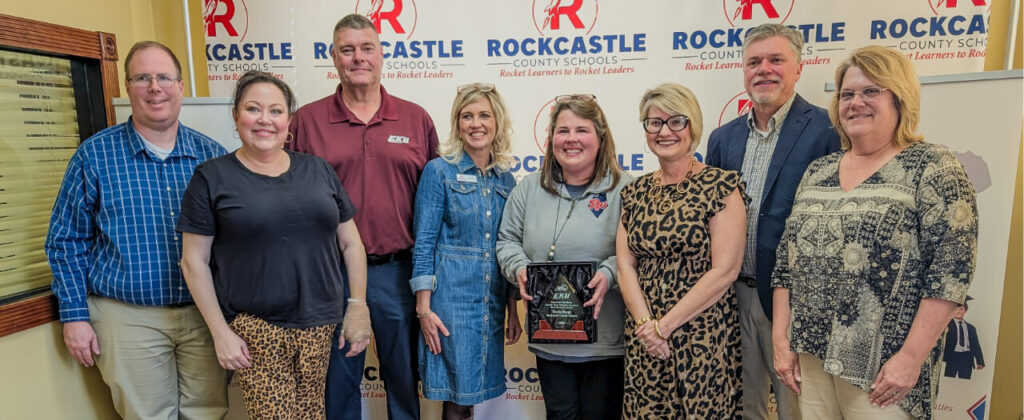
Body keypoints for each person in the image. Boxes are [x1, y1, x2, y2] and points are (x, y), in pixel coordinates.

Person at [771, 45, 978, 419]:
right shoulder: (818, 171)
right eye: (847, 94)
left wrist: (910, 359)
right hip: (811, 355)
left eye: (871, 91)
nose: (856, 103)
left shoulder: (932, 166)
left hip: (884, 368)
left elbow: (951, 273)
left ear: (900, 98)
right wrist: (781, 340)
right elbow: (786, 264)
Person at [44, 41, 228, 420]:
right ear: (128, 87)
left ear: (180, 86)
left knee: (208, 414)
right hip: (128, 319)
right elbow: (66, 241)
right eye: (143, 78)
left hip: (204, 316)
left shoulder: (213, 156)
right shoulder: (94, 156)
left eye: (164, 78)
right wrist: (74, 315)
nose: (155, 87)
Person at [178, 70, 371, 418]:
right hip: (256, 328)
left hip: (319, 324)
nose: (265, 120)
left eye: (276, 111)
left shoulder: (319, 170)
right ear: (236, 116)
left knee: (312, 414)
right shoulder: (212, 177)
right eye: (253, 109)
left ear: (289, 120)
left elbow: (351, 244)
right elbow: (193, 262)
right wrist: (220, 332)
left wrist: (357, 306)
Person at [287, 13, 439, 420]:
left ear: (381, 54)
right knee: (337, 385)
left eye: (367, 48)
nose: (358, 57)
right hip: (330, 274)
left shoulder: (415, 118)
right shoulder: (307, 122)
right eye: (348, 50)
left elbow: (435, 201)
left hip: (398, 272)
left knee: (404, 381)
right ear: (333, 56)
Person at [705, 23, 841, 420]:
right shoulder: (722, 138)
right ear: (743, 71)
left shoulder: (828, 130)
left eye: (776, 60)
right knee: (742, 404)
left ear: (798, 68)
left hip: (793, 301)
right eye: (754, 62)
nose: (764, 69)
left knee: (793, 407)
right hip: (731, 296)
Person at [496, 94, 632, 420]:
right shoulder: (528, 189)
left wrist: (609, 273)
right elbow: (507, 241)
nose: (571, 139)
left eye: (581, 130)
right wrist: (519, 268)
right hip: (550, 340)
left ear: (600, 138)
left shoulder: (626, 189)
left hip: (606, 341)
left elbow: (637, 250)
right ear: (551, 139)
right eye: (563, 131)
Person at [617, 83, 747, 418]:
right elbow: (625, 265)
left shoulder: (720, 186)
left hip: (702, 334)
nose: (664, 132)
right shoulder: (634, 192)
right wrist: (647, 326)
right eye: (654, 123)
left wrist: (665, 327)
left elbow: (726, 270)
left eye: (676, 121)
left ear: (693, 125)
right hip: (645, 337)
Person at [410, 83, 523, 420]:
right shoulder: (439, 171)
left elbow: (508, 246)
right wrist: (424, 309)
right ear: (457, 123)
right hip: (450, 303)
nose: (476, 124)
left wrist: (512, 310)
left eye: (484, 115)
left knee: (471, 395)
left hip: (491, 301)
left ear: (497, 122)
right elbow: (424, 243)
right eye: (467, 116)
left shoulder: (506, 180)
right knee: (457, 399)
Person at [943, 296, 985, 379]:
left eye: (961, 309)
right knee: (949, 379)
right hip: (952, 357)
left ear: (965, 310)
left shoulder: (971, 328)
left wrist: (980, 361)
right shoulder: (946, 325)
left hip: (967, 358)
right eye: (956, 309)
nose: (958, 311)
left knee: (965, 379)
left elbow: (976, 345)